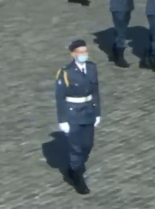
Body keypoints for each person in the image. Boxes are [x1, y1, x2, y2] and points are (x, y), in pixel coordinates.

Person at [54, 39, 101, 195]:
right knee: (76, 148)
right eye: (80, 52)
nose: (84, 54)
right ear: (73, 54)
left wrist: (98, 112)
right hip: (73, 113)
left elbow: (95, 92)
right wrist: (62, 120)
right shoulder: (66, 72)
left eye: (85, 51)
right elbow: (60, 97)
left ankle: (74, 168)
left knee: (87, 145)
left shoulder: (92, 68)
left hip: (88, 111)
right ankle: (77, 177)